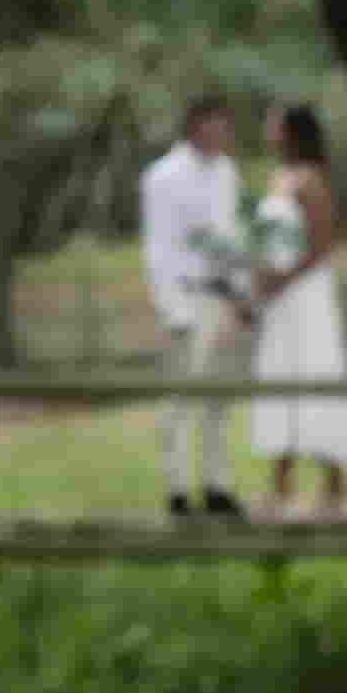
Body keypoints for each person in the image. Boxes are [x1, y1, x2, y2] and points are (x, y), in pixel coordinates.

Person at [247, 102, 347, 520]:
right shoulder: (278, 177)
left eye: (275, 124)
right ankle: (280, 487)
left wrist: (284, 277)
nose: (268, 130)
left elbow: (322, 244)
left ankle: (334, 487)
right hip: (277, 298)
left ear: (293, 132)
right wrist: (259, 279)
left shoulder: (311, 180)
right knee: (280, 380)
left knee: (313, 376)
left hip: (306, 294)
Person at [139, 94, 247, 519]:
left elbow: (233, 236)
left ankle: (217, 486)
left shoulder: (227, 172)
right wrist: (172, 309)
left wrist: (239, 296)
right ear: (194, 127)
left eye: (225, 126)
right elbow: (158, 248)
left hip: (222, 297)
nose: (221, 134)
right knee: (180, 399)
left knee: (220, 397)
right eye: (213, 126)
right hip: (186, 297)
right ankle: (178, 490)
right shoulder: (162, 176)